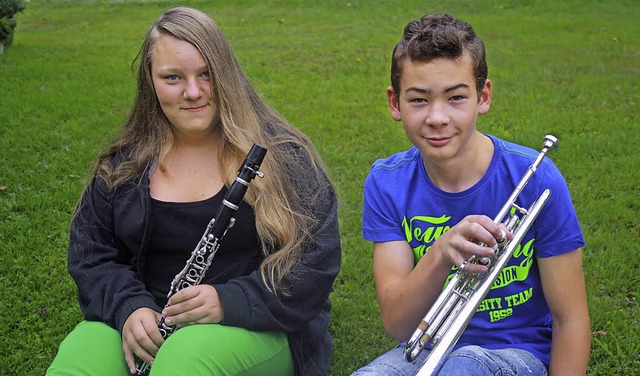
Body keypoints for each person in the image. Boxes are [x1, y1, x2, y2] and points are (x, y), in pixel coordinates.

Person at [47, 7, 341, 376]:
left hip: (254, 323)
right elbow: (91, 256)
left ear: (226, 74)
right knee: (79, 359)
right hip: (148, 316)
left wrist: (228, 301)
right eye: (172, 77)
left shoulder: (282, 156)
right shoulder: (125, 166)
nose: (193, 92)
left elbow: (316, 261)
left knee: (184, 362)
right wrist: (129, 307)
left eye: (207, 74)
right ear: (150, 82)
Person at [352, 13, 590, 376]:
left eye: (456, 97)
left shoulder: (536, 179)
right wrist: (440, 254)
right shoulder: (387, 183)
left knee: (465, 366)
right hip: (425, 345)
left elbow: (570, 319)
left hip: (518, 353)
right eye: (418, 100)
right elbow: (399, 325)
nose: (437, 117)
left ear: (483, 96)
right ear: (395, 103)